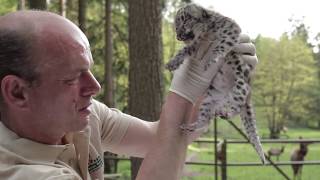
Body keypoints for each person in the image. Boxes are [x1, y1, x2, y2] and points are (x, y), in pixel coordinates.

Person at [0, 10, 258, 180]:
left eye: (88, 69)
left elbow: (158, 139)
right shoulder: (17, 171)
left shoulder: (76, 116)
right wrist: (183, 94)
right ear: (17, 92)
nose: (94, 86)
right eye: (71, 78)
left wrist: (206, 92)